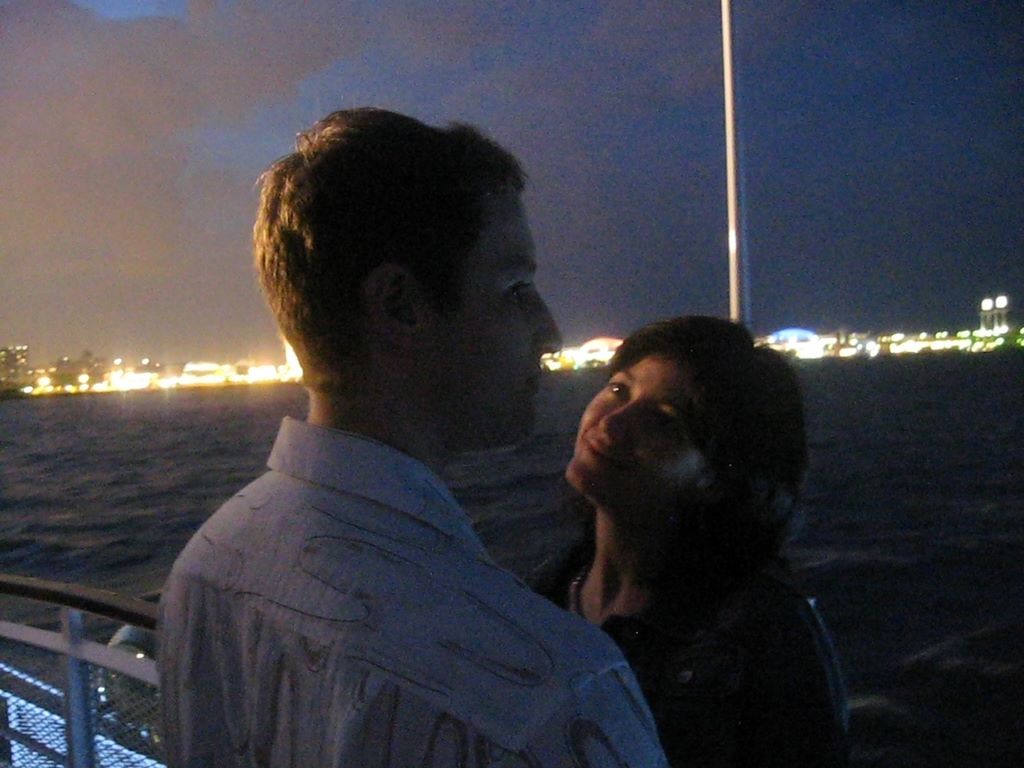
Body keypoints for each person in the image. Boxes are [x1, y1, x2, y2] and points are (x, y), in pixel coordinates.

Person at [157, 108, 667, 767]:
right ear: (400, 305)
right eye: (516, 287)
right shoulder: (556, 697)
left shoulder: (205, 566)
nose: (549, 329)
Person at [532, 315, 849, 768]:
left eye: (664, 421)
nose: (614, 423)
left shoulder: (765, 637)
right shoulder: (538, 598)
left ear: (717, 478)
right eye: (620, 389)